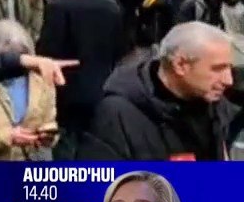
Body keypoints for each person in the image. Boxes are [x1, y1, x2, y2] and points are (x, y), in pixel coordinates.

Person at [79, 22, 236, 161]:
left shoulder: (215, 107)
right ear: (180, 65)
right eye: (217, 69)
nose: (228, 80)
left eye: (229, 68)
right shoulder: (117, 115)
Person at [38, 0, 126, 160]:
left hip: (67, 88)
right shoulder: (111, 6)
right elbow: (119, 47)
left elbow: (48, 49)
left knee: (67, 147)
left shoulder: (60, 5)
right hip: (103, 85)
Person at [0, 20, 58, 161]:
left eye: (19, 55)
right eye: (7, 57)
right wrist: (7, 137)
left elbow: (49, 120)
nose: (14, 64)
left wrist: (48, 135)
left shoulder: (41, 81)